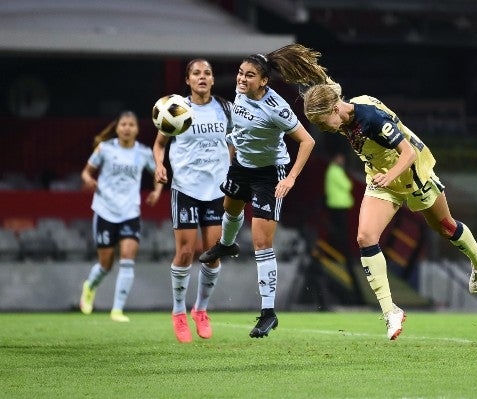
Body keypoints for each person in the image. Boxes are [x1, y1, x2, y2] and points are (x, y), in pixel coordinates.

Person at [299, 51, 477, 340]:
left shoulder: (370, 118)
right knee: (365, 237)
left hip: (412, 174)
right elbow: (324, 86)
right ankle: (391, 311)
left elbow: (408, 153)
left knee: (446, 226)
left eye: (324, 121)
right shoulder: (336, 106)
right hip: (380, 177)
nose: (324, 128)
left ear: (336, 109)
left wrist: (390, 174)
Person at [198, 45, 321, 338]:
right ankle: (227, 245)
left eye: (249, 75)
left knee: (260, 242)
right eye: (240, 73)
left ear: (264, 81)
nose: (241, 79)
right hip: (243, 164)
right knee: (230, 208)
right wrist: (230, 155)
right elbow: (240, 127)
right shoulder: (241, 94)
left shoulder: (277, 108)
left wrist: (290, 178)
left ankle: (268, 313)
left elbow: (307, 142)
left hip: (269, 174)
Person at [153, 58, 233, 343]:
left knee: (212, 254)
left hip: (217, 190)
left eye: (207, 73)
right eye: (196, 73)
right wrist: (159, 165)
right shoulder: (177, 108)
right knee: (186, 253)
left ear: (212, 80)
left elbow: (232, 145)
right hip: (186, 188)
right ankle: (178, 312)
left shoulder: (226, 109)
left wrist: (237, 175)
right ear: (187, 80)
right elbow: (160, 143)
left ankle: (201, 309)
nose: (202, 77)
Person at [79, 111, 163, 322]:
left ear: (137, 129)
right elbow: (86, 172)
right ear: (117, 128)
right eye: (123, 124)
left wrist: (157, 192)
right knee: (106, 264)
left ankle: (117, 310)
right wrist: (89, 180)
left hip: (130, 212)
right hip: (105, 210)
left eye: (131, 124)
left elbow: (158, 174)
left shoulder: (143, 153)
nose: (127, 128)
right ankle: (89, 286)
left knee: (127, 259)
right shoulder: (105, 149)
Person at [324, 151, 354, 255]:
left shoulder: (333, 170)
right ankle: (336, 253)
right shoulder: (335, 170)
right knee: (339, 232)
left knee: (337, 231)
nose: (342, 161)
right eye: (340, 158)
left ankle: (332, 253)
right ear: (335, 158)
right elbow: (347, 185)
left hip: (337, 205)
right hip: (338, 205)